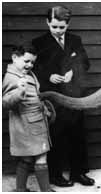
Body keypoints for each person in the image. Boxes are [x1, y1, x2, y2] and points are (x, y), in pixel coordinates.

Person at [32, 5, 95, 187]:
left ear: (68, 24)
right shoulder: (39, 43)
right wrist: (48, 76)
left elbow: (85, 63)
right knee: (56, 136)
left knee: (78, 135)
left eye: (62, 27)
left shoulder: (76, 40)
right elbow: (32, 69)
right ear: (47, 23)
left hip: (74, 96)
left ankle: (78, 173)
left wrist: (73, 72)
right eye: (54, 26)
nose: (58, 30)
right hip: (53, 99)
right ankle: (55, 175)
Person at [2, 43, 55, 192]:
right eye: (26, 61)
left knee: (26, 158)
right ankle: (46, 190)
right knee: (41, 157)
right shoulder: (12, 78)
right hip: (27, 124)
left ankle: (20, 189)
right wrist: (19, 92)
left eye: (32, 62)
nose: (30, 65)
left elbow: (35, 96)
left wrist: (44, 108)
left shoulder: (28, 74)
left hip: (34, 121)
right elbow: (4, 103)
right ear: (14, 58)